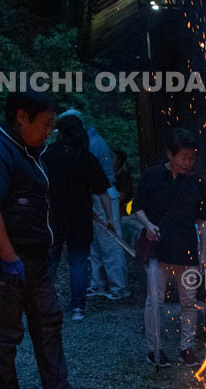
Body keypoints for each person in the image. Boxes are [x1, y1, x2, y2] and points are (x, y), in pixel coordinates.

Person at [0, 88, 96, 389]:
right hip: (3, 261)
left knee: (48, 321)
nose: (50, 131)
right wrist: (9, 258)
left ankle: (57, 388)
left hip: (38, 257)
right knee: (8, 329)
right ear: (21, 116)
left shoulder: (29, 150)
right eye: (46, 123)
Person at [133, 128, 206, 368]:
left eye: (192, 157)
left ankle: (185, 347)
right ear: (170, 154)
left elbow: (203, 220)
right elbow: (137, 207)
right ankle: (154, 349)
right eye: (184, 157)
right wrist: (148, 225)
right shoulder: (152, 176)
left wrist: (204, 251)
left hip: (187, 248)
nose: (188, 162)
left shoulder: (197, 182)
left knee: (189, 301)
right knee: (155, 301)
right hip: (158, 249)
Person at [43, 114, 117, 321]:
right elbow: (103, 191)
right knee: (78, 263)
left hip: (52, 218)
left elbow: (38, 185)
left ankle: (43, 304)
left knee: (50, 261)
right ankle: (78, 307)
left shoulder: (48, 155)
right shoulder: (86, 157)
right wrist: (110, 219)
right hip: (80, 218)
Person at [57, 109, 129, 301]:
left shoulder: (92, 144)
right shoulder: (86, 142)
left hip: (103, 195)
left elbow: (95, 180)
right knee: (96, 244)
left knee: (110, 243)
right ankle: (99, 283)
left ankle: (118, 287)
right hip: (93, 196)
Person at [113, 148, 134, 218]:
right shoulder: (108, 175)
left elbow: (122, 196)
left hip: (123, 211)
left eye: (113, 157)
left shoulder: (125, 176)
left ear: (119, 161)